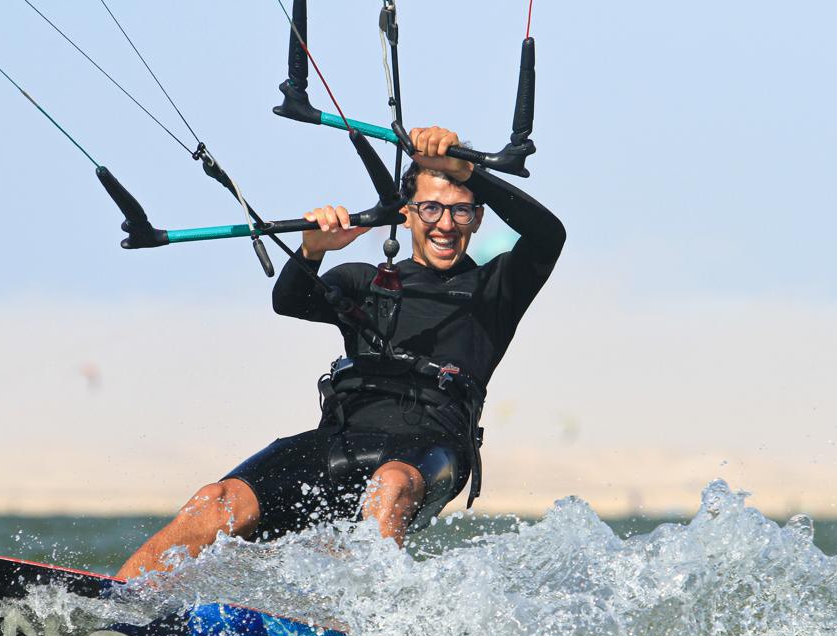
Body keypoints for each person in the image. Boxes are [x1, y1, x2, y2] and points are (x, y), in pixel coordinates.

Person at [118, 126, 565, 580]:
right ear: (407, 215)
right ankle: (116, 599)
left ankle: (359, 631)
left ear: (479, 218)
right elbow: (290, 301)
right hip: (340, 440)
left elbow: (549, 235)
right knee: (216, 500)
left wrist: (468, 170)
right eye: (430, 208)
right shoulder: (362, 280)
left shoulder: (496, 289)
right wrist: (311, 252)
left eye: (461, 211)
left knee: (390, 485)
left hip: (430, 451)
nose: (445, 225)